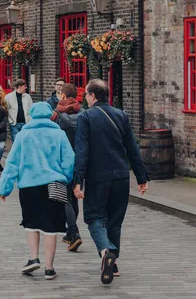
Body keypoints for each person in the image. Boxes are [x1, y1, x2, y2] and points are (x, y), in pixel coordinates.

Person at [74, 79, 149, 285]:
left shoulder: (86, 117)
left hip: (98, 176)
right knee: (115, 220)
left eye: (86, 95)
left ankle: (105, 251)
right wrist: (141, 178)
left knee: (94, 217)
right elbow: (132, 148)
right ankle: (112, 263)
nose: (85, 98)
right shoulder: (121, 115)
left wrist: (77, 180)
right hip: (121, 176)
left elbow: (82, 152)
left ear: (92, 96)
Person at [0, 102, 75, 281]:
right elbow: (70, 160)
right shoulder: (59, 134)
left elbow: (12, 163)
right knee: (51, 228)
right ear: (49, 115)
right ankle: (49, 268)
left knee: (31, 224)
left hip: (29, 186)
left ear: (31, 114)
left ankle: (33, 258)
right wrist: (65, 177)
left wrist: (4, 188)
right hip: (53, 184)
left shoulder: (24, 135)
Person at [51, 82, 84, 252]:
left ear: (63, 96)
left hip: (61, 161)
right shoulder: (84, 113)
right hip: (79, 160)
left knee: (65, 199)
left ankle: (74, 232)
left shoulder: (56, 115)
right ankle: (70, 235)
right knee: (74, 195)